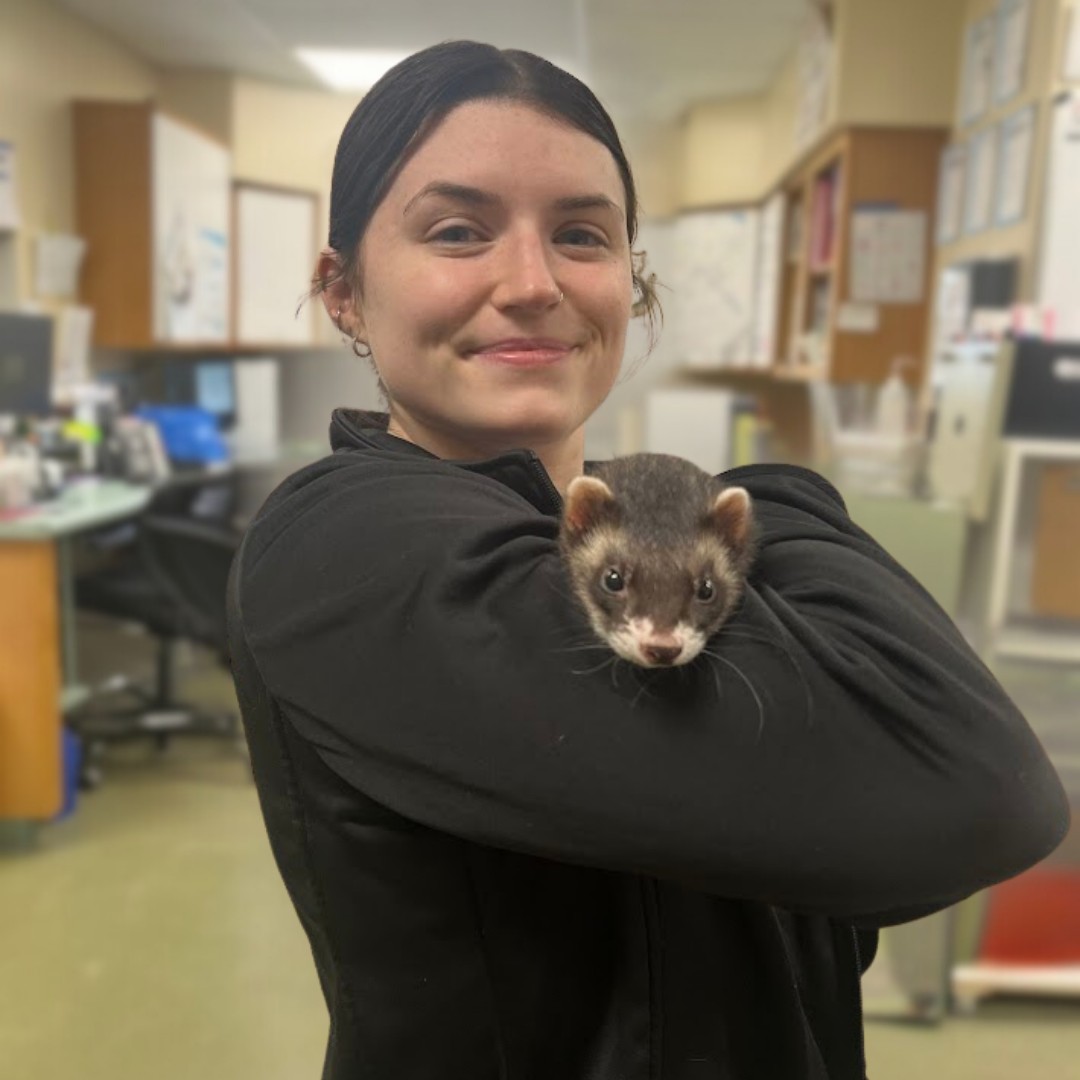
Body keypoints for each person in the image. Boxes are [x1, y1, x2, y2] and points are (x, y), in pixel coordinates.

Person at [226, 41, 1068, 1080]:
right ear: (343, 291)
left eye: (582, 234)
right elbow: (978, 793)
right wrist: (797, 504)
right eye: (457, 231)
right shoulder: (340, 547)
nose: (532, 282)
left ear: (631, 281)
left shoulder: (628, 523)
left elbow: (900, 854)